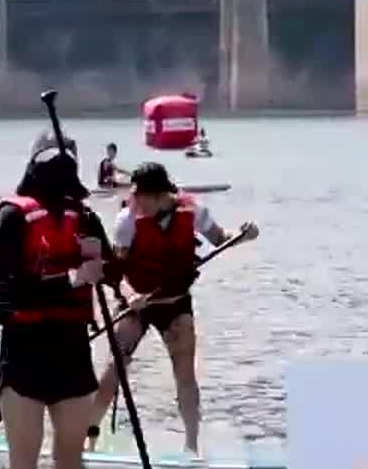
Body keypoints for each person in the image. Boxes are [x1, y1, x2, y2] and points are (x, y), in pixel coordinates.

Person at [0, 139, 108, 469]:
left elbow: (109, 271)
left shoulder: (86, 217)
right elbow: (11, 284)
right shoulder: (12, 215)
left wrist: (100, 260)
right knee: (24, 461)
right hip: (25, 351)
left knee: (71, 463)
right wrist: (74, 276)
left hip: (72, 350)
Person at [87, 161, 258, 454]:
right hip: (136, 304)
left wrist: (242, 235)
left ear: (158, 195)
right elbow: (117, 272)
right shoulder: (127, 220)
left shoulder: (193, 212)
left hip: (175, 304)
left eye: (140, 197)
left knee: (185, 374)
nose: (134, 202)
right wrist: (130, 296)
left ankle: (192, 447)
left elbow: (220, 239)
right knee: (114, 369)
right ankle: (86, 441)